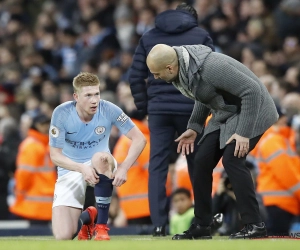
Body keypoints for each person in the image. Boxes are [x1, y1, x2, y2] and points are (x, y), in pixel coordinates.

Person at [146, 43, 278, 239]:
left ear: (169, 68)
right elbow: (204, 95)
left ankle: (255, 225)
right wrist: (194, 127)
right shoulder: (188, 68)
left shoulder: (210, 67)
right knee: (201, 162)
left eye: (157, 73)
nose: (155, 77)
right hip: (227, 112)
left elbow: (252, 91)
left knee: (232, 160)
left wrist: (243, 133)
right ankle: (202, 226)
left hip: (254, 110)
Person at [128, 2, 214, 236]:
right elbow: (212, 73)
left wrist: (145, 108)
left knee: (157, 166)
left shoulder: (149, 37)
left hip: (159, 110)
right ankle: (203, 222)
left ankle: (158, 224)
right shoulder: (201, 35)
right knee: (199, 164)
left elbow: (134, 76)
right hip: (192, 109)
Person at [50, 72, 146, 240]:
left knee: (100, 158)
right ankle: (89, 217)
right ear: (76, 96)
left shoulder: (109, 109)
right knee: (63, 235)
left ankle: (101, 227)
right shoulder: (61, 113)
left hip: (100, 162)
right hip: (71, 168)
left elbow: (140, 138)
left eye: (97, 94)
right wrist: (81, 168)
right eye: (88, 95)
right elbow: (55, 156)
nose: (94, 100)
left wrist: (123, 167)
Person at [253, 106, 300, 235]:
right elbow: (287, 174)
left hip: (280, 202)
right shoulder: (273, 141)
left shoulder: (281, 141)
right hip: (277, 203)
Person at [9, 114, 54, 222]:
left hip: (44, 201)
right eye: (43, 124)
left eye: (47, 124)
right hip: (34, 202)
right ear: (35, 125)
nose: (46, 127)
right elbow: (24, 174)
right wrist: (20, 194)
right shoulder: (32, 146)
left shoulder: (45, 145)